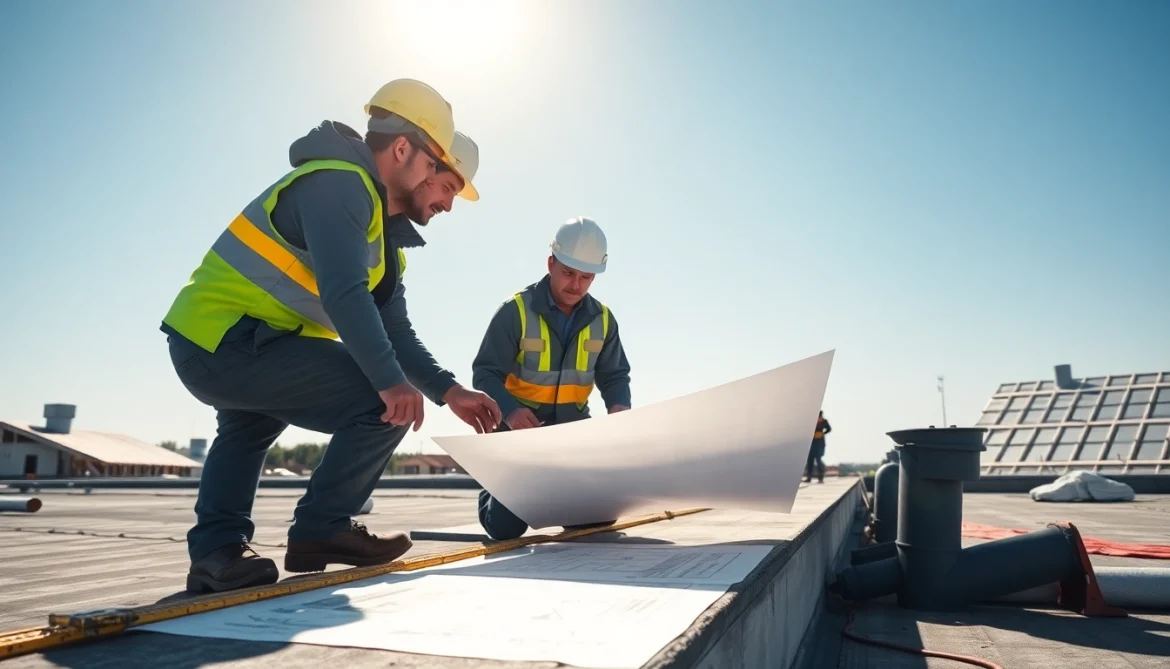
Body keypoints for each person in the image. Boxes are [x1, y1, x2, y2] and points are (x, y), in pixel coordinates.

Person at [160, 79, 500, 593]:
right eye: (443, 180)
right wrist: (391, 383)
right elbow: (344, 294)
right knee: (383, 403)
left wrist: (449, 391)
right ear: (403, 150)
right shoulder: (338, 185)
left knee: (250, 427)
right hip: (224, 337)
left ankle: (216, 553)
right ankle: (321, 528)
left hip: (241, 343)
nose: (447, 204)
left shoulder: (383, 242)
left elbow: (395, 331)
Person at [470, 217, 633, 540]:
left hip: (573, 437)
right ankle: (493, 488)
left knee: (595, 521)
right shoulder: (515, 311)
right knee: (506, 528)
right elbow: (485, 373)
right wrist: (510, 412)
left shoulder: (603, 319)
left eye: (586, 277)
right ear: (551, 263)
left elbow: (615, 375)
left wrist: (620, 412)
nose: (576, 285)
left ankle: (559, 495)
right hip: (520, 435)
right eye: (568, 273)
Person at [805, 410, 832, 483]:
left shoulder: (824, 421)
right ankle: (809, 477)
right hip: (812, 443)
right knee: (810, 460)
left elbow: (829, 429)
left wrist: (823, 433)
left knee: (818, 460)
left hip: (820, 443)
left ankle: (821, 478)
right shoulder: (812, 421)